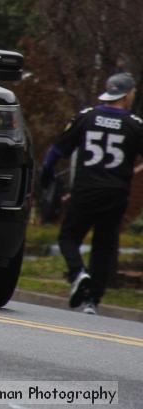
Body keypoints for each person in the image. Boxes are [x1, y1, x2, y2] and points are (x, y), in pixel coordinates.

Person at [39, 72, 143, 315]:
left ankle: (78, 273)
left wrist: (46, 174)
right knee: (104, 246)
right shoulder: (135, 125)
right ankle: (92, 300)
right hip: (116, 193)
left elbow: (56, 150)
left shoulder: (87, 117)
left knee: (68, 237)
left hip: (86, 190)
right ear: (127, 95)